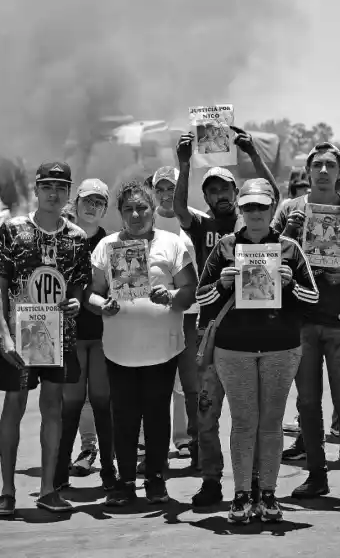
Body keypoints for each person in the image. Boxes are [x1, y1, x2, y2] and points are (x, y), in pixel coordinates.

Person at [197, 177, 318, 524]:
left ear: (271, 208)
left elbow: (313, 299)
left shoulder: (289, 248)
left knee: (271, 423)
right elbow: (201, 297)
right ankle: (240, 496)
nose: (255, 213)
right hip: (233, 348)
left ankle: (267, 494)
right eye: (248, 206)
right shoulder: (225, 246)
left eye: (261, 206)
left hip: (281, 347)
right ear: (240, 208)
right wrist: (222, 283)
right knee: (243, 422)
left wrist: (290, 283)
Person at [173, 126, 281, 507]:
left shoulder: (249, 224)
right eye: (213, 190)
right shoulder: (201, 225)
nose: (220, 195)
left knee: (249, 414)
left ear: (237, 194)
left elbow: (273, 197)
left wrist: (253, 155)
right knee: (207, 410)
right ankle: (211, 479)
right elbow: (178, 209)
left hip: (250, 331)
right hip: (211, 330)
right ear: (206, 196)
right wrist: (184, 164)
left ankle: (254, 481)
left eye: (225, 189)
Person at [0, 161, 91, 515]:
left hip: (58, 332)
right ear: (36, 189)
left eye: (61, 187)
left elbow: (79, 283)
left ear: (69, 193)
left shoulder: (77, 238)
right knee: (14, 405)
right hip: (22, 332)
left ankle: (48, 489)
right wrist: (3, 334)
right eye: (47, 186)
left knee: (52, 408)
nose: (53, 193)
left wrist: (76, 301)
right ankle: (6, 491)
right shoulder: (13, 230)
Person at [271, 142, 340, 508]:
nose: (324, 171)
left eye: (331, 165)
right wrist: (288, 233)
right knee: (308, 405)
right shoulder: (290, 209)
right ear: (308, 172)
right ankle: (316, 477)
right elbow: (265, 254)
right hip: (301, 323)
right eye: (318, 165)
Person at [86, 179, 198, 506]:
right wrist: (101, 304)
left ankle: (156, 480)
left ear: (153, 209)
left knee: (157, 415)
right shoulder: (107, 246)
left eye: (141, 208)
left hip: (163, 350)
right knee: (123, 416)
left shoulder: (172, 244)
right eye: (128, 209)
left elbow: (190, 291)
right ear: (120, 213)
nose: (135, 215)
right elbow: (91, 292)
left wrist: (171, 295)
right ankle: (124, 483)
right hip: (119, 351)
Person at [54, 179, 116, 488]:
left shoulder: (113, 244)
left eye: (99, 202)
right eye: (87, 201)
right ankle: (60, 471)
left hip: (104, 334)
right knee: (71, 403)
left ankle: (109, 469)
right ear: (76, 203)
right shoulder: (59, 239)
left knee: (103, 401)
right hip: (69, 334)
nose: (92, 207)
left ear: (105, 209)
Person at [150, 166, 208, 467]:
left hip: (190, 314)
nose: (165, 194)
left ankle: (198, 447)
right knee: (155, 385)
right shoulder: (145, 220)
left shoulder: (196, 221)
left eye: (171, 188)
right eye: (159, 189)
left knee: (192, 385)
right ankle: (153, 453)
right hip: (155, 316)